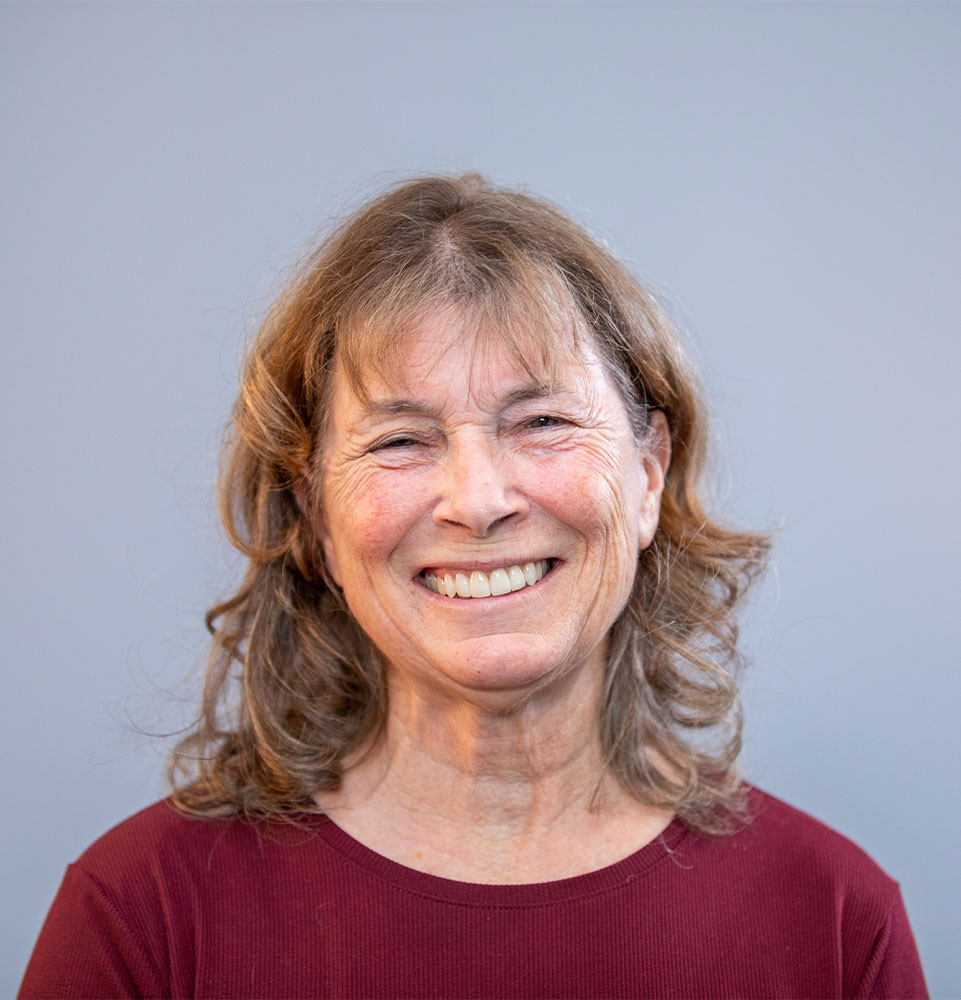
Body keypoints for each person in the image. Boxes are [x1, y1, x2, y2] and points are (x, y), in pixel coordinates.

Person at [20, 174, 927, 999]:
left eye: (539, 422)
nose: (479, 501)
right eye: (400, 440)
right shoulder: (140, 919)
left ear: (648, 474)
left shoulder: (832, 923)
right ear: (316, 515)